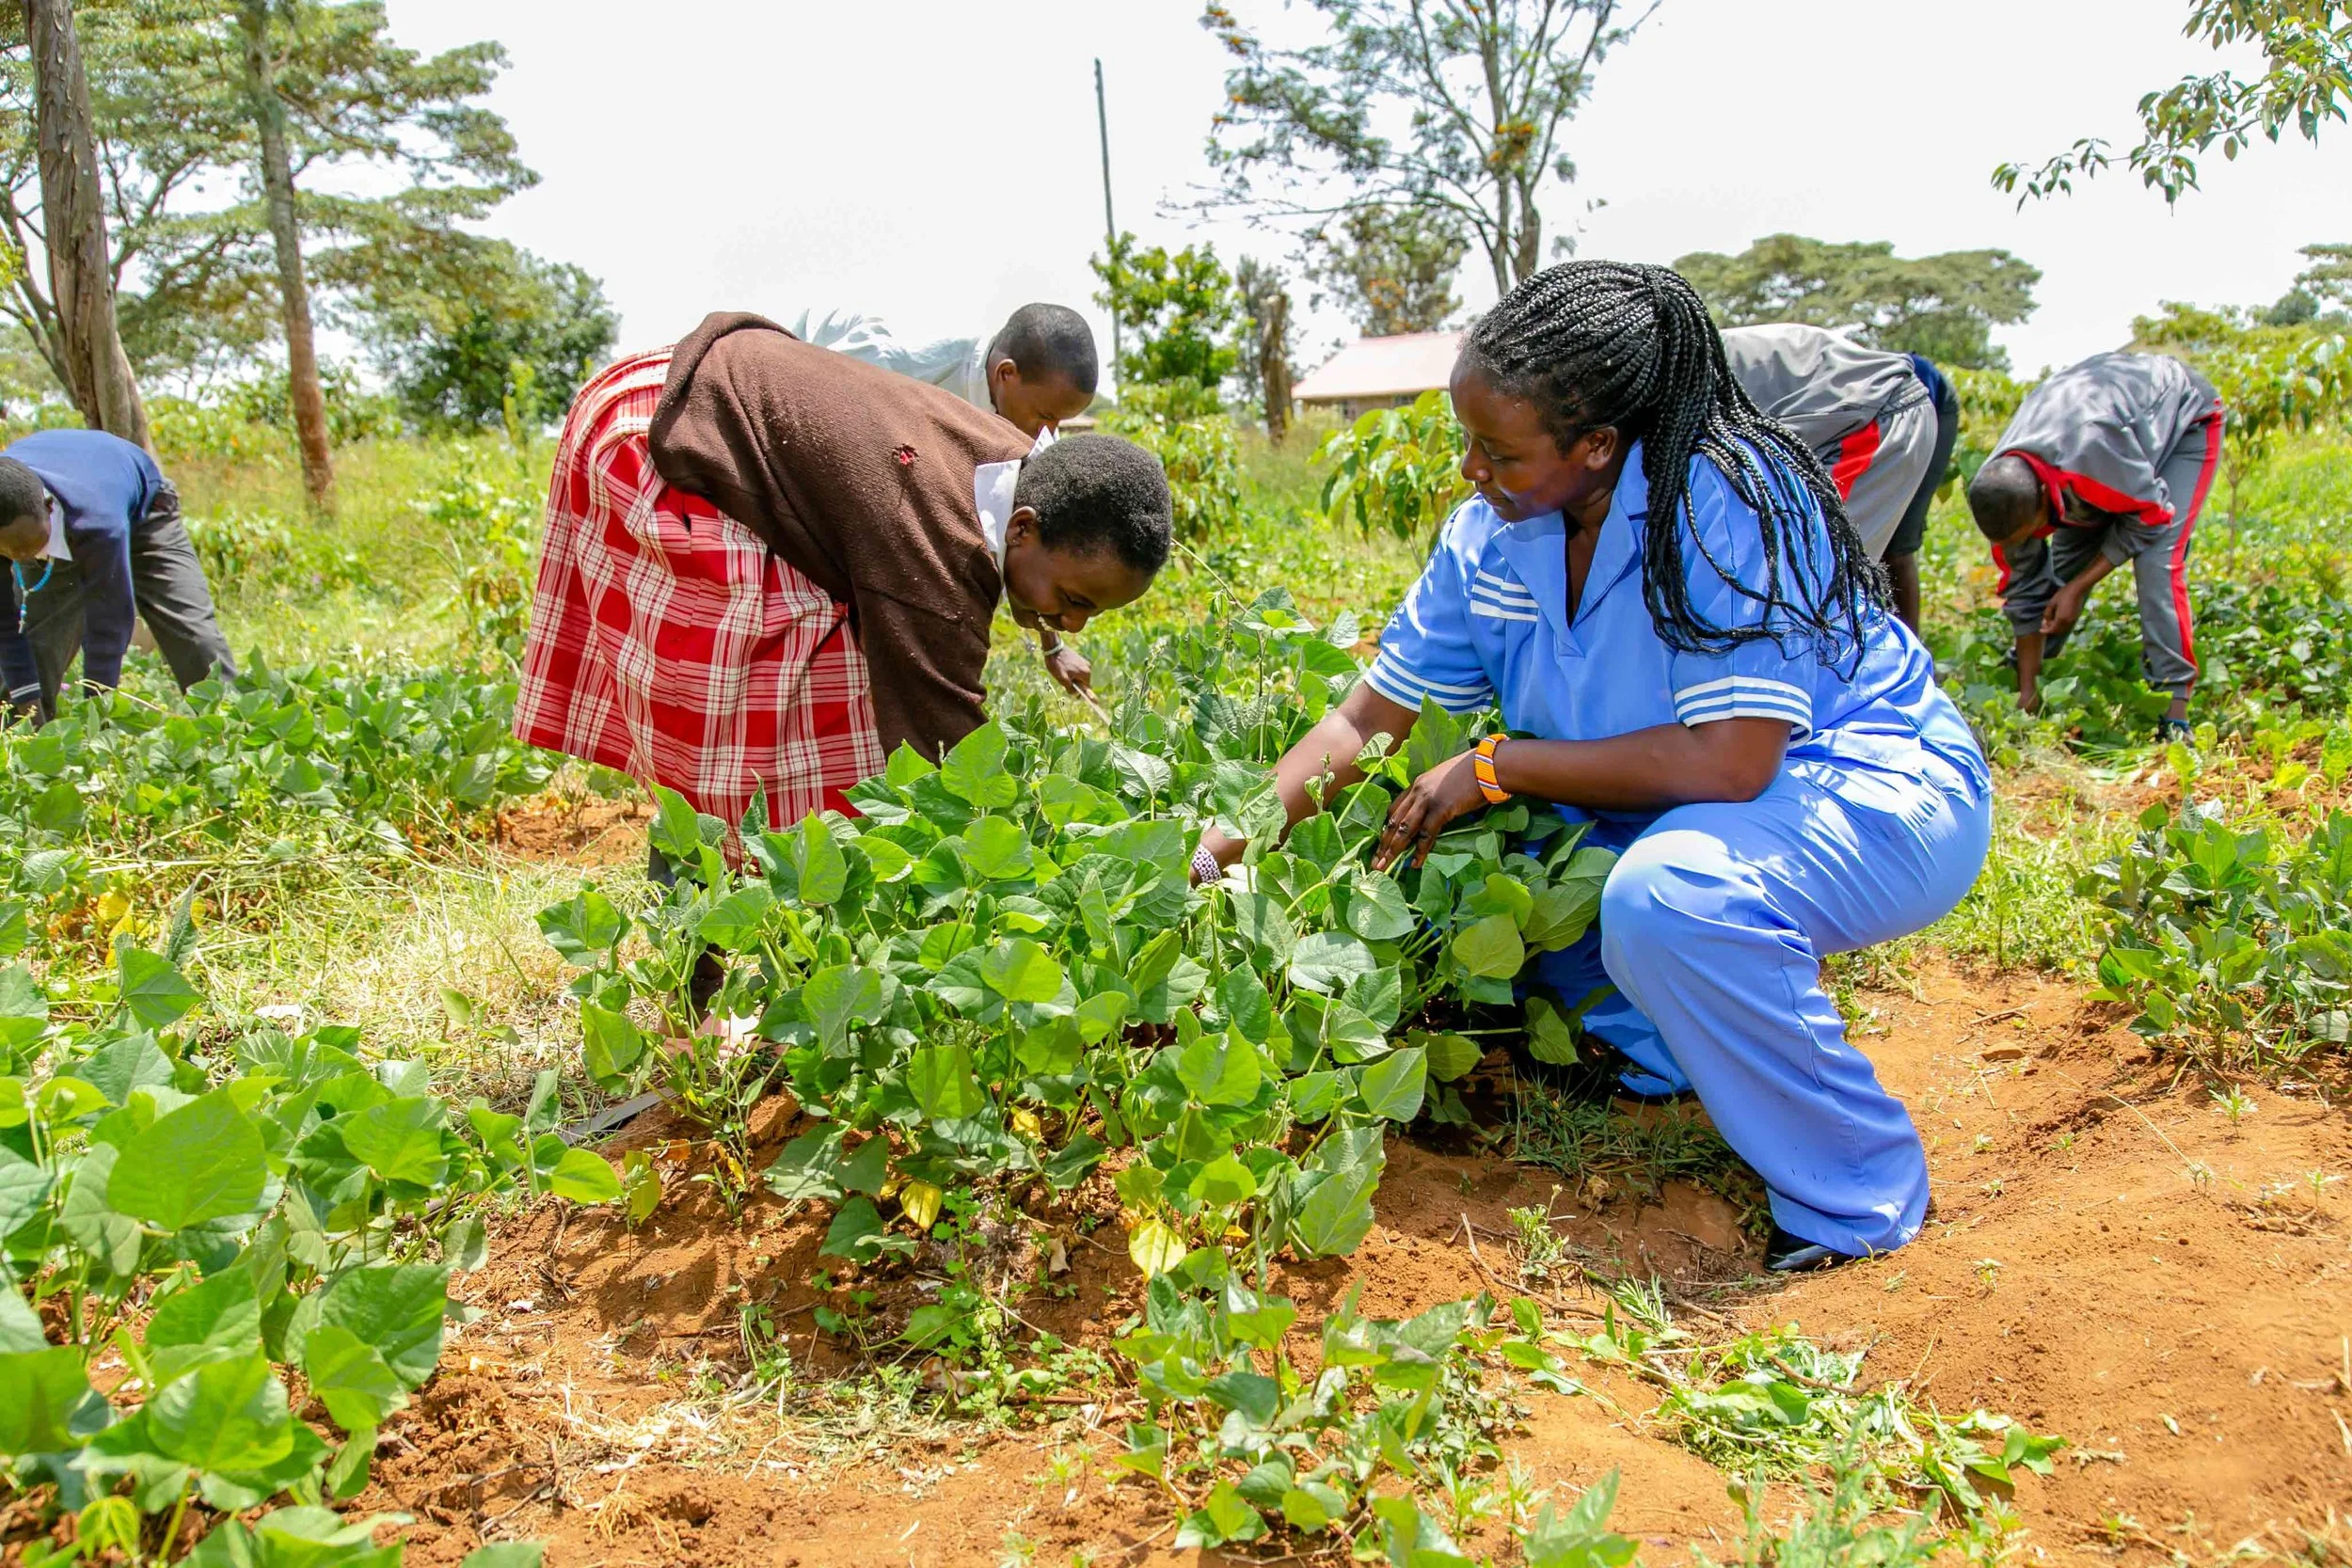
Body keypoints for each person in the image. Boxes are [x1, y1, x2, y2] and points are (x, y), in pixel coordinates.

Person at [1198, 262, 1991, 1272]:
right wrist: (1218, 848)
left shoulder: (1726, 501)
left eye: (1499, 452)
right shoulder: (1491, 537)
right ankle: (1672, 1052)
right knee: (1492, 890)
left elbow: (1734, 760)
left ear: (1598, 445)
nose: (1471, 471)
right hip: (1687, 801)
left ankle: (1854, 1190)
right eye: (1467, 443)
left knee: (1672, 897)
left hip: (1868, 784)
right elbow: (1365, 720)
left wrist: (1499, 765)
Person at [514, 310, 1170, 870]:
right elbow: (944, 741)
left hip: (712, 393)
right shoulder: (939, 546)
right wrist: (1033, 863)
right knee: (747, 710)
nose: (1073, 624)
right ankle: (700, 918)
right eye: (1076, 601)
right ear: (1021, 529)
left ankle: (751, 887)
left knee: (831, 702)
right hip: (663, 429)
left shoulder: (1014, 467)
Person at [789, 301, 1106, 696]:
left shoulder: (1032, 435)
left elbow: (1034, 551)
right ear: (1005, 374)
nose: (1049, 432)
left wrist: (1053, 646)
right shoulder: (900, 367)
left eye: (1059, 422)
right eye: (1045, 416)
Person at [1965, 351, 2224, 743]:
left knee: (2156, 564)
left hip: (2183, 419)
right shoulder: (2002, 494)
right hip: (2109, 449)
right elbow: (2026, 587)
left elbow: (2152, 514)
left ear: (2044, 498)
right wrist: (2027, 692)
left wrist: (2078, 586)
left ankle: (2175, 713)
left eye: (2034, 531)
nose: (2025, 543)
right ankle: (2027, 687)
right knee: (2061, 577)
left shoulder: (2090, 456)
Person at [1720, 324, 1960, 634]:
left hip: (1877, 415)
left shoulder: (1680, 369)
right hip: (1830, 422)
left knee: (1815, 579)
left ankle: (1883, 658)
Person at [0, 427, 235, 723]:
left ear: (48, 508)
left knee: (191, 631)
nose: (22, 558)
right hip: (62, 514)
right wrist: (29, 715)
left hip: (144, 514)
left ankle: (233, 722)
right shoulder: (15, 528)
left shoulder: (97, 524)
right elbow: (5, 628)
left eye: (27, 547)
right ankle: (17, 735)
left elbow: (109, 620)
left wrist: (98, 715)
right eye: (10, 553)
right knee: (40, 638)